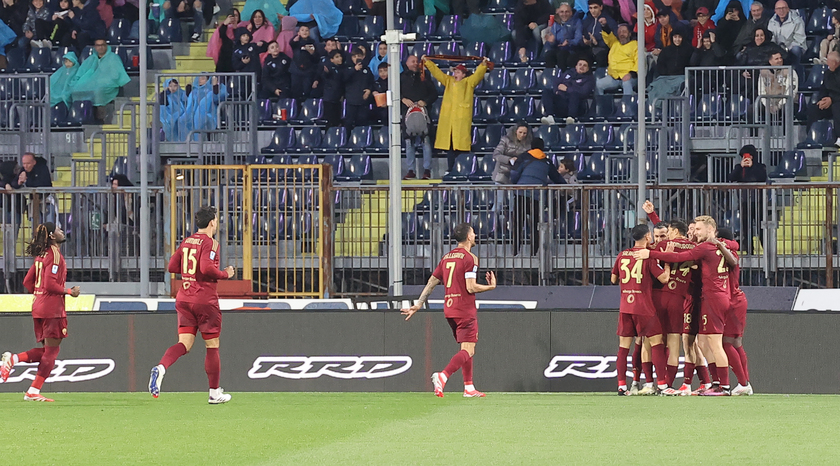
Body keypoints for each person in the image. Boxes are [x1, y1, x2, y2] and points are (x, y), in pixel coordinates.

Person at [634, 215, 733, 395]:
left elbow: (648, 249)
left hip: (663, 297)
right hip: (685, 298)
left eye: (697, 229)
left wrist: (653, 253)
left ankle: (651, 383)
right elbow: (733, 249)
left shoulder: (669, 246)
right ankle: (676, 385)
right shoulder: (703, 246)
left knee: (651, 342)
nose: (693, 232)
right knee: (689, 342)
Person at [149, 206, 235, 404]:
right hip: (204, 300)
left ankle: (161, 368)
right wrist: (225, 274)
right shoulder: (211, 243)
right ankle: (214, 393)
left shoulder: (187, 241)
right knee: (212, 346)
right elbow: (206, 267)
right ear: (213, 222)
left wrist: (189, 273)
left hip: (184, 299)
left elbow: (171, 266)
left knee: (184, 344)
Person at [401, 223, 497, 398]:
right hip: (464, 309)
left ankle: (469, 387)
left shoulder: (446, 258)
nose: (475, 236)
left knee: (466, 347)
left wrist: (419, 303)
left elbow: (431, 282)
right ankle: (443, 376)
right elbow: (471, 287)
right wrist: (491, 287)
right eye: (473, 233)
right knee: (469, 350)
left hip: (449, 309)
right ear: (468, 236)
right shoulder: (470, 258)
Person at [0, 223, 82, 401]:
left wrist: (40, 297)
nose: (62, 232)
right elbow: (50, 284)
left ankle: (14, 362)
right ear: (52, 236)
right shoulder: (54, 255)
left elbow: (28, 282)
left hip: (39, 306)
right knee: (52, 352)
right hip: (52, 309)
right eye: (59, 230)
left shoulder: (41, 255)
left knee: (47, 350)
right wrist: (70, 292)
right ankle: (32, 390)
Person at [612, 224, 671, 396]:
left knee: (623, 347)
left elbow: (613, 278)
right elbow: (664, 278)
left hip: (625, 307)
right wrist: (667, 263)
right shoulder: (647, 257)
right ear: (647, 237)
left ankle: (622, 386)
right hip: (644, 307)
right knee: (656, 343)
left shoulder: (622, 255)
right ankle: (662, 385)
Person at [423, 56, 488, 171]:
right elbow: (437, 73)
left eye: (458, 71)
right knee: (450, 147)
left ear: (463, 74)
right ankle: (450, 169)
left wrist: (483, 65)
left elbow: (478, 75)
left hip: (461, 121)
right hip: (449, 120)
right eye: (455, 71)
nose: (455, 74)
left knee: (461, 147)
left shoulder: (469, 82)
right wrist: (428, 63)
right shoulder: (449, 81)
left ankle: (461, 169)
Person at [713, 227, 753, 395]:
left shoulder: (726, 253)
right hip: (738, 300)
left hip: (732, 300)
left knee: (726, 343)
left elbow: (732, 245)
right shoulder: (729, 251)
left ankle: (743, 383)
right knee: (736, 344)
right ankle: (745, 383)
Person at [510, 138, 565, 256]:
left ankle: (515, 252)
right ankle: (534, 252)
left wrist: (515, 184)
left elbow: (514, 174)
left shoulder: (524, 157)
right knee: (535, 225)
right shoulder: (547, 161)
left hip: (521, 194)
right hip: (537, 197)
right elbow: (558, 179)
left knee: (518, 224)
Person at [70, 39, 131, 122]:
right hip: (89, 83)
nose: (100, 47)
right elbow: (81, 72)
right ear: (95, 47)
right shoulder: (91, 59)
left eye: (102, 45)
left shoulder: (113, 58)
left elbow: (116, 75)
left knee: (98, 91)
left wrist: (103, 81)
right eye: (98, 45)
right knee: (76, 90)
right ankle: (79, 117)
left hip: (106, 84)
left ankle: (100, 118)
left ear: (106, 46)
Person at [400, 55, 437, 180]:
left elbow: (434, 94)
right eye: (413, 61)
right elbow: (393, 92)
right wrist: (402, 99)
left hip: (424, 114)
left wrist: (425, 102)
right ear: (407, 63)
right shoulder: (401, 77)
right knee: (408, 142)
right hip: (406, 114)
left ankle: (427, 170)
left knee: (426, 141)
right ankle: (410, 170)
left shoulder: (425, 77)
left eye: (417, 61)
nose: (415, 63)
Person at [540, 57, 595, 124]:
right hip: (561, 102)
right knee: (547, 91)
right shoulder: (568, 73)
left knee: (574, 94)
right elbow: (556, 82)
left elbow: (584, 92)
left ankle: (571, 118)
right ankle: (550, 116)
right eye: (580, 64)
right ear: (576, 66)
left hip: (577, 105)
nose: (582, 66)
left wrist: (567, 89)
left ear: (588, 69)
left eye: (584, 65)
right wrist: (556, 91)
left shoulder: (589, 79)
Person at [805, 51, 840, 147]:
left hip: (837, 102)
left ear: (836, 63)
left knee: (837, 107)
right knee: (814, 109)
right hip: (829, 102)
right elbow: (823, 89)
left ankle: (839, 137)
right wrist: (822, 100)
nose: (827, 63)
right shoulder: (827, 73)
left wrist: (832, 99)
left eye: (829, 61)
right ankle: (810, 136)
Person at [595, 20, 637, 95]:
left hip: (630, 76)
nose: (622, 34)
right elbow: (608, 36)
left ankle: (629, 106)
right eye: (620, 32)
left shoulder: (635, 45)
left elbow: (639, 62)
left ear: (629, 34)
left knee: (626, 84)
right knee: (599, 84)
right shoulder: (615, 43)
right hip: (613, 77)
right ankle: (602, 106)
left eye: (624, 32)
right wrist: (604, 26)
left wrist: (631, 74)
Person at [543, 3, 582, 70]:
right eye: (562, 12)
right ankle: (551, 77)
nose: (564, 14)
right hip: (558, 49)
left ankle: (563, 77)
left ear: (571, 13)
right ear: (558, 13)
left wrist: (568, 42)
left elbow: (578, 39)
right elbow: (553, 43)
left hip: (571, 49)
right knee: (548, 55)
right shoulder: (556, 24)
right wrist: (552, 41)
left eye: (566, 12)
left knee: (561, 55)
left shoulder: (577, 22)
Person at [493, 122, 533, 187]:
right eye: (520, 132)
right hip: (501, 175)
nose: (522, 135)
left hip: (516, 176)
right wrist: (509, 159)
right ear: (515, 131)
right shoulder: (505, 140)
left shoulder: (528, 145)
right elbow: (496, 155)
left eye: (524, 133)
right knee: (500, 197)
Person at [767, 1, 804, 68]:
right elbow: (771, 37)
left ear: (788, 9)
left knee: (796, 50)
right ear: (775, 11)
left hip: (792, 47)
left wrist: (786, 48)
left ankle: (794, 71)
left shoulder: (797, 20)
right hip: (778, 47)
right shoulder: (772, 21)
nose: (781, 11)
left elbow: (799, 39)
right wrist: (777, 48)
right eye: (779, 9)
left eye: (783, 8)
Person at [581, 0, 617, 67]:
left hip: (604, 49)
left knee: (601, 58)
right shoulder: (587, 21)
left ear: (601, 7)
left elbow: (614, 40)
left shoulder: (609, 20)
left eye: (595, 8)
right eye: (590, 8)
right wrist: (585, 41)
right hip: (589, 48)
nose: (593, 11)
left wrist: (597, 43)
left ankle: (599, 76)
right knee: (578, 57)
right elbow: (582, 34)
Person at [344, 48, 374, 129]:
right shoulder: (347, 68)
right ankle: (347, 140)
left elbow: (372, 82)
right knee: (349, 123)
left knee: (362, 122)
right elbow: (343, 79)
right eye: (354, 56)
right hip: (351, 101)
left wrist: (369, 90)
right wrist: (354, 70)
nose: (356, 58)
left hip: (363, 102)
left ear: (363, 57)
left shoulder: (367, 70)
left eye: (359, 56)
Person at [289, 24, 321, 100]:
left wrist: (312, 53)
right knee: (295, 92)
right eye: (302, 30)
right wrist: (294, 40)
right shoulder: (296, 42)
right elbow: (291, 44)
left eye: (307, 30)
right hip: (296, 71)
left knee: (307, 91)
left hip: (308, 72)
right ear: (299, 32)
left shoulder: (312, 43)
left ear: (309, 32)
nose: (305, 32)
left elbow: (316, 59)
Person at [320, 50, 347, 128]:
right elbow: (326, 75)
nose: (339, 58)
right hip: (329, 100)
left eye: (340, 56)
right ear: (331, 60)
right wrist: (326, 72)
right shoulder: (330, 69)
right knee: (330, 122)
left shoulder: (342, 69)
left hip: (338, 100)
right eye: (337, 57)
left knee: (337, 121)